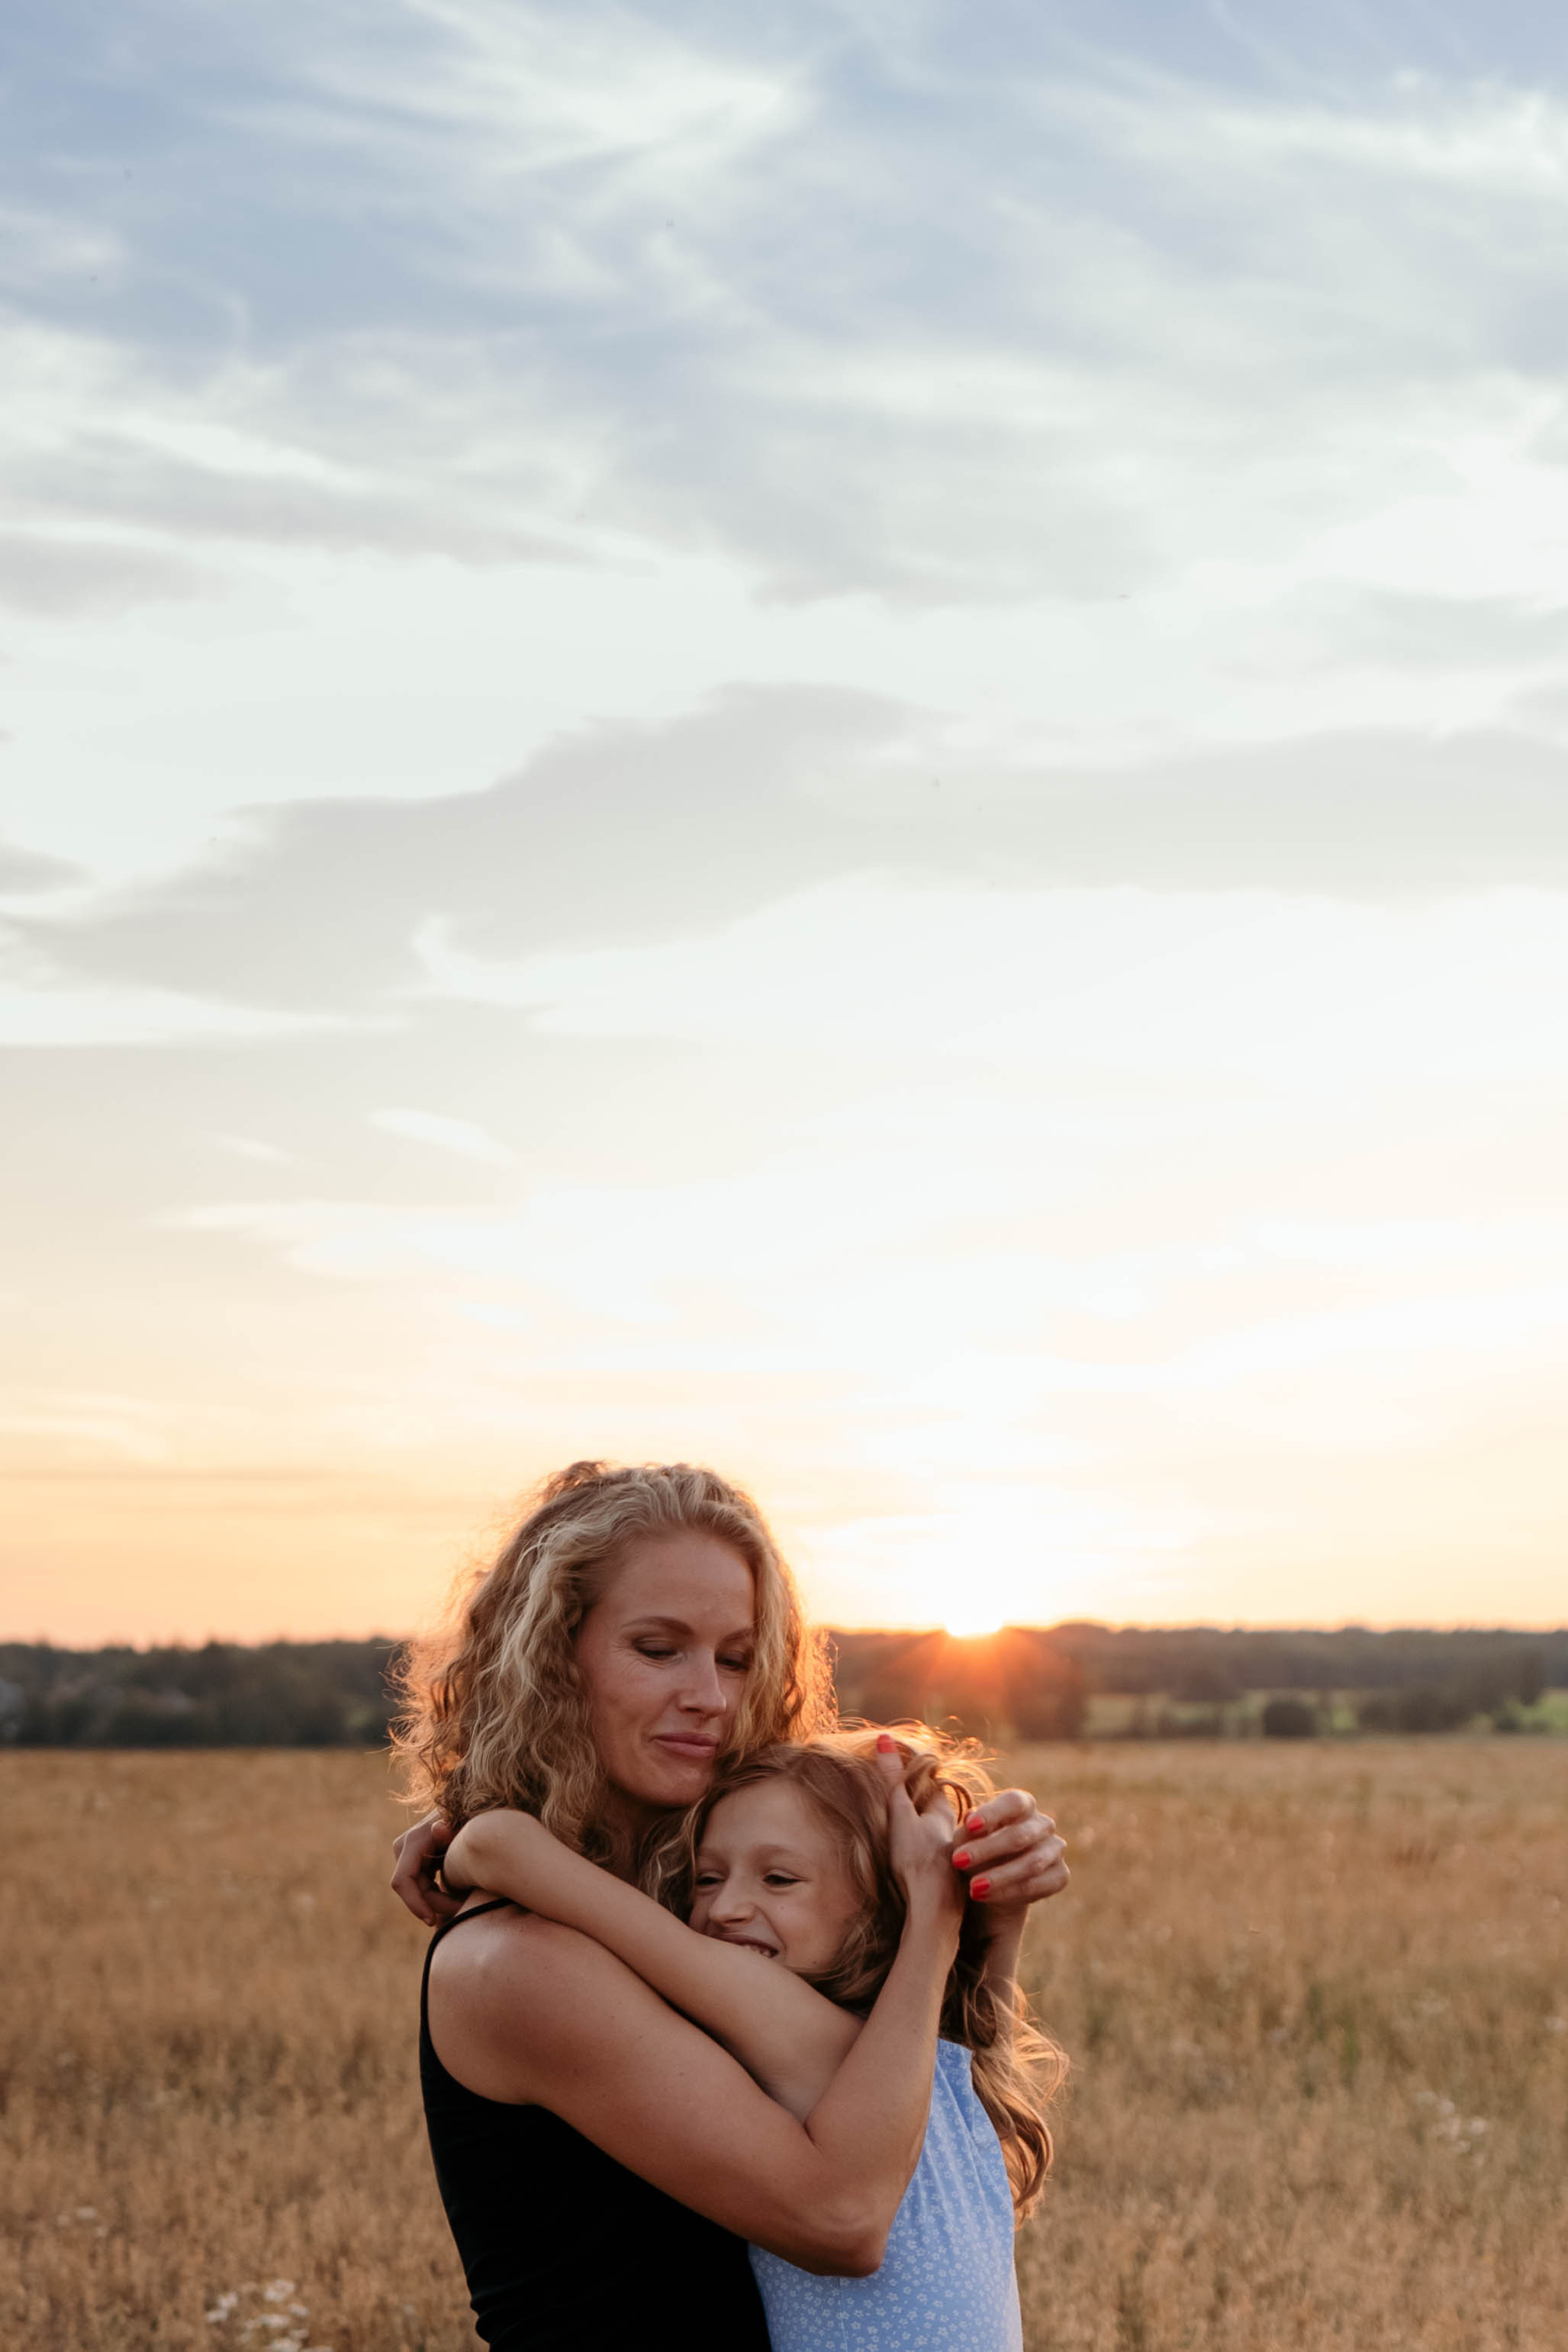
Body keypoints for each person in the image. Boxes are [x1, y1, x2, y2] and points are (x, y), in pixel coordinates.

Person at [390, 1460, 1069, 2350]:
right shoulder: (517, 1961)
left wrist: (989, 1899)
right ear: (554, 1659)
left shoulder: (702, 1908)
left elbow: (939, 2149)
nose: (709, 1697)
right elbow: (846, 2217)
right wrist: (936, 1926)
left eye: (737, 1658)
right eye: (657, 1648)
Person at [440, 1725, 1065, 2352]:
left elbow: (516, 1854)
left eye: (779, 1880)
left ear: (886, 1903)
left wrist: (480, 1847)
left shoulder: (801, 2031)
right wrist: (963, 1910)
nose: (728, 1907)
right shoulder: (929, 2051)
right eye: (706, 1880)